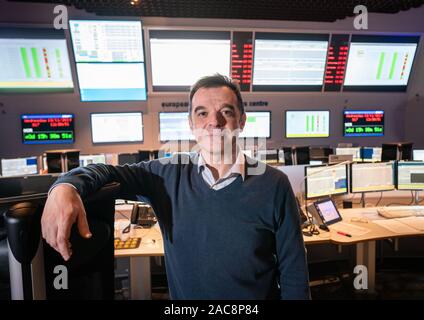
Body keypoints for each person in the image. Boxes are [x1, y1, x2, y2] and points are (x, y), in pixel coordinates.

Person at [41, 74, 310, 300]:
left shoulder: (274, 183)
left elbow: (294, 272)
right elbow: (105, 172)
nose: (214, 122)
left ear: (241, 121)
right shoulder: (166, 175)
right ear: (192, 124)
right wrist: (65, 187)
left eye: (225, 112)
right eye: (202, 113)